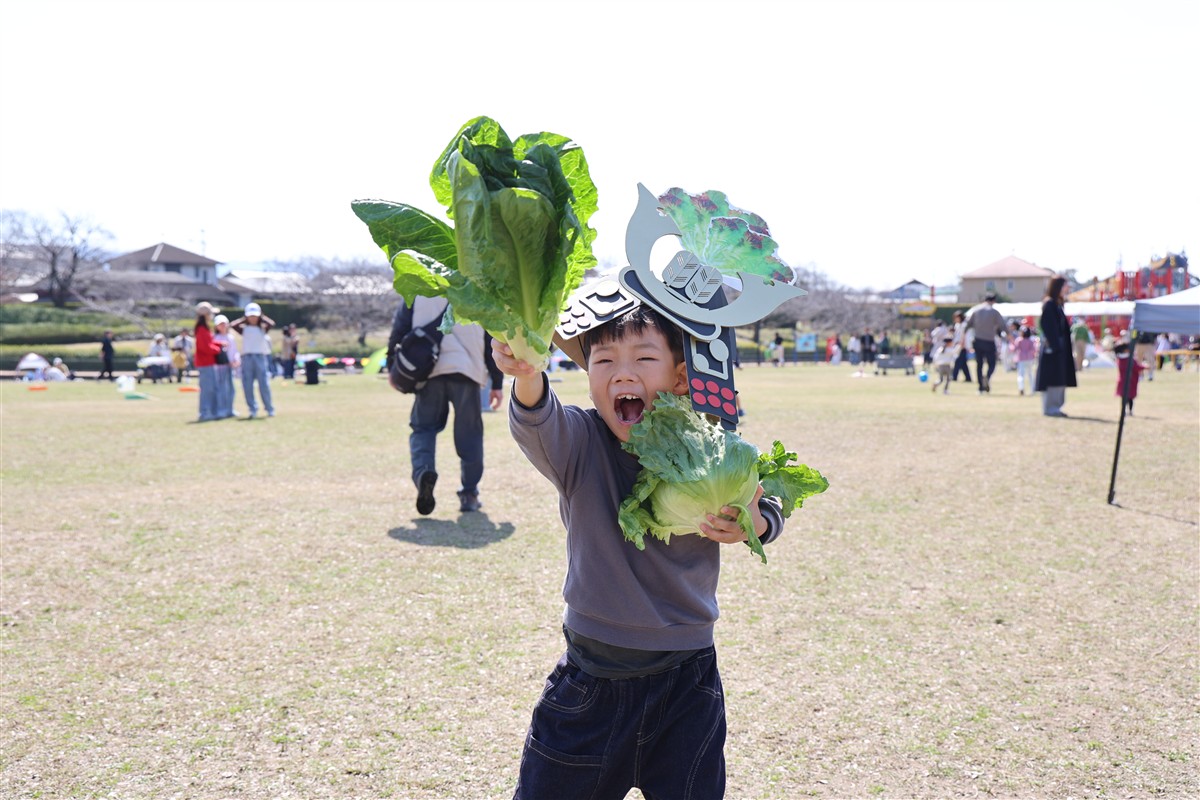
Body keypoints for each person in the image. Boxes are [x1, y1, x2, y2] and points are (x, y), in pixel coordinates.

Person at [493, 302, 786, 799]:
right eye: (603, 361)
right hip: (592, 682)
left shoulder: (709, 444)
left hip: (687, 683)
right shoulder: (581, 443)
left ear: (678, 375)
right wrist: (527, 375)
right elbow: (538, 421)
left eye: (643, 360)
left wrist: (753, 523)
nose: (622, 373)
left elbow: (768, 496)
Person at [389, 296, 504, 515]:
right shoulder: (474, 288)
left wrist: (391, 364)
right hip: (467, 371)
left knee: (423, 429)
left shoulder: (419, 288)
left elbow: (400, 327)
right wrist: (496, 383)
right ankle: (469, 494)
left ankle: (424, 472)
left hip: (429, 369)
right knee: (470, 435)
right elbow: (492, 336)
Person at [1034, 275, 1077, 417]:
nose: (1067, 289)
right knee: (1052, 379)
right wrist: (1055, 345)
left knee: (1060, 378)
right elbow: (1049, 327)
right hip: (1052, 350)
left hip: (1060, 349)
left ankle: (1056, 406)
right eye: (1065, 285)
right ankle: (1050, 408)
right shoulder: (1050, 304)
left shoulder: (1057, 305)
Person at [230, 302, 276, 419]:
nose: (253, 318)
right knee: (247, 384)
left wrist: (261, 317)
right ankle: (252, 408)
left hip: (260, 356)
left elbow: (272, 323)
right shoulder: (244, 329)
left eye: (255, 316)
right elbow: (233, 325)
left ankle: (269, 408)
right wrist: (244, 319)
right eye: (250, 316)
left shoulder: (263, 328)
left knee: (264, 384)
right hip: (247, 357)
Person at [964, 291, 1008, 393]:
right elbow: (1002, 325)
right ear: (994, 301)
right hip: (989, 341)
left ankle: (980, 387)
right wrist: (1009, 335)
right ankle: (987, 377)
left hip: (978, 341)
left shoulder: (976, 311)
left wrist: (964, 337)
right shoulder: (994, 312)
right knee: (992, 363)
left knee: (979, 364)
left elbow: (968, 325)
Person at [193, 303, 224, 422]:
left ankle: (213, 411)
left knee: (213, 388)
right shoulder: (201, 329)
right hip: (205, 364)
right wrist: (217, 350)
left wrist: (219, 344)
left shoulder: (205, 328)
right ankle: (205, 412)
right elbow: (204, 347)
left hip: (209, 363)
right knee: (207, 389)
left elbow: (209, 342)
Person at [212, 314, 239, 419]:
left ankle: (230, 409)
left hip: (230, 367)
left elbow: (234, 351)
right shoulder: (215, 338)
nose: (222, 326)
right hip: (220, 367)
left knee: (231, 389)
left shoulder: (230, 338)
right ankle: (221, 410)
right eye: (220, 324)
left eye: (224, 324)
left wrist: (236, 360)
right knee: (221, 389)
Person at [1113, 342, 1143, 416]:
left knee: (1124, 398)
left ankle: (1124, 411)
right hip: (1130, 382)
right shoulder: (1129, 359)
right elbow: (1136, 367)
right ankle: (1129, 411)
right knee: (1130, 398)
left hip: (1122, 381)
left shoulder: (1120, 359)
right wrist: (1145, 367)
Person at [1012, 326, 1037, 395]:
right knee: (1030, 375)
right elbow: (1034, 350)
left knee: (1021, 375)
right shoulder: (1031, 341)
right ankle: (1033, 389)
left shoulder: (1019, 340)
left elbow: (1014, 348)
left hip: (1021, 359)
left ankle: (1021, 388)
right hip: (1029, 359)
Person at [949, 311, 972, 384]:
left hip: (962, 345)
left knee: (958, 362)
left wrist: (962, 344)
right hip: (957, 345)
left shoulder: (964, 325)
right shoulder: (957, 325)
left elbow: (965, 335)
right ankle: (968, 378)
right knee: (963, 363)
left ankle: (954, 376)